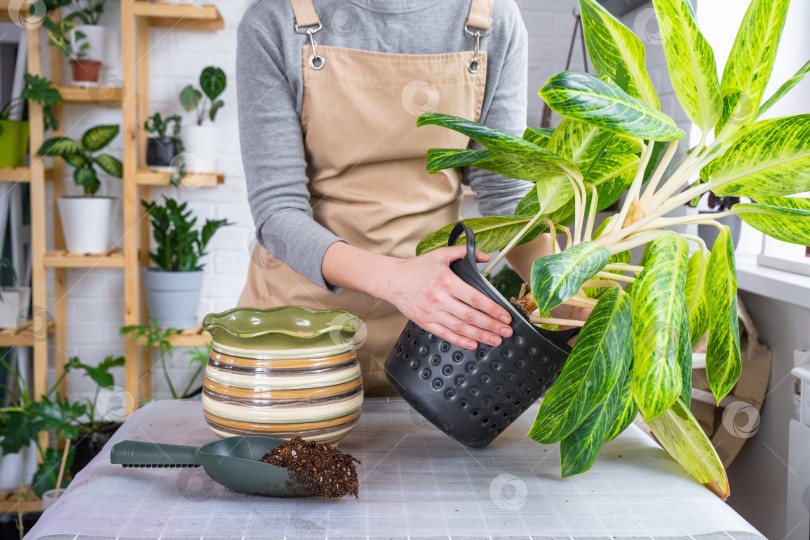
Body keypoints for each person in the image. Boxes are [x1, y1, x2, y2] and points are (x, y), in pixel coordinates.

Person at [237, 0, 556, 396]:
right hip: (297, 338)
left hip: (431, 349)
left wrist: (567, 295)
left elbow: (506, 197)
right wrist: (397, 280)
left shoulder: (491, 18)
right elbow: (277, 213)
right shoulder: (275, 19)